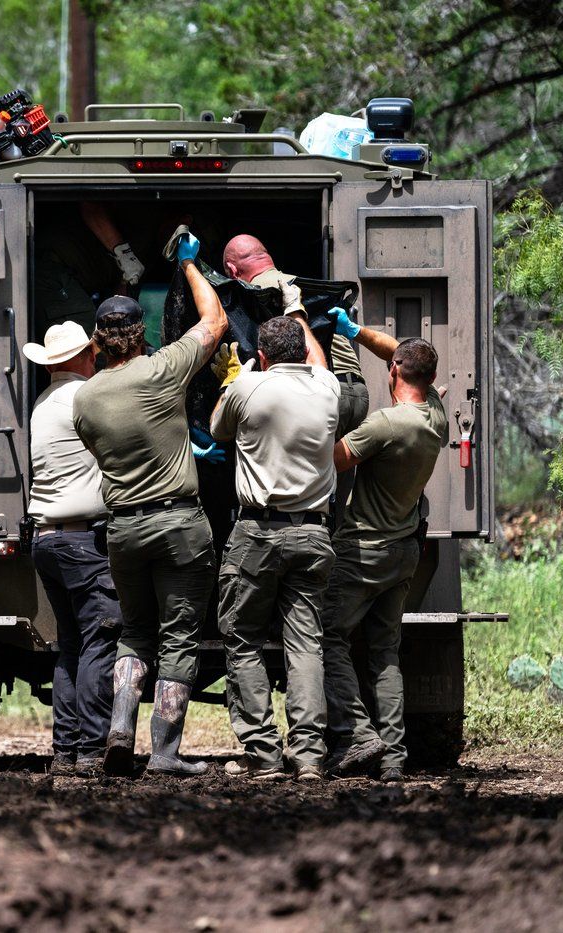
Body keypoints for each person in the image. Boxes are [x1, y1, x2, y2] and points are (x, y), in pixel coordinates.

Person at [73, 231, 228, 777]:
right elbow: (214, 324)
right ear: (140, 335)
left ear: (97, 341)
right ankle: (163, 754)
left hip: (124, 531)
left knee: (134, 633)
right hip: (179, 524)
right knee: (178, 636)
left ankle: (119, 731)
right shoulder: (162, 369)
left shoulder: (84, 399)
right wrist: (189, 267)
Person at [209, 312, 339, 782]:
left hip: (258, 534)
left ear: (262, 357)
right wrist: (299, 309)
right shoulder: (328, 388)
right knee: (306, 645)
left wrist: (234, 376)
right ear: (304, 352)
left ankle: (263, 755)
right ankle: (308, 757)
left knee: (242, 638)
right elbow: (320, 364)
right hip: (314, 534)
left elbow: (218, 426)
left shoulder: (249, 388)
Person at [320, 311, 448, 782]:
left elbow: (334, 460)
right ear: (431, 379)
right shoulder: (435, 418)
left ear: (394, 372)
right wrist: (356, 335)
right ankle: (394, 757)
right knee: (384, 652)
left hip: (361, 552)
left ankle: (358, 734)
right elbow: (404, 354)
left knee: (328, 638)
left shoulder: (384, 424)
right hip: (403, 554)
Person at [23, 321, 122, 777]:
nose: (95, 358)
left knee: (71, 646)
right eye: (91, 353)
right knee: (100, 641)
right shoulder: (83, 398)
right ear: (81, 358)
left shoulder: (42, 404)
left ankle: (65, 751)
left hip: (47, 538)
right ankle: (89, 752)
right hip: (83, 540)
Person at [221, 235, 368, 439]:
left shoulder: (255, 296)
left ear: (233, 270)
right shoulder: (301, 285)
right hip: (357, 391)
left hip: (321, 392)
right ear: (267, 257)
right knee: (336, 466)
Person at [35, 202, 146, 331]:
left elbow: (121, 301)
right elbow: (91, 206)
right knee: (83, 331)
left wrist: (126, 333)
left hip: (76, 280)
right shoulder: (147, 219)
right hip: (54, 267)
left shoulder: (146, 249)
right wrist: (124, 254)